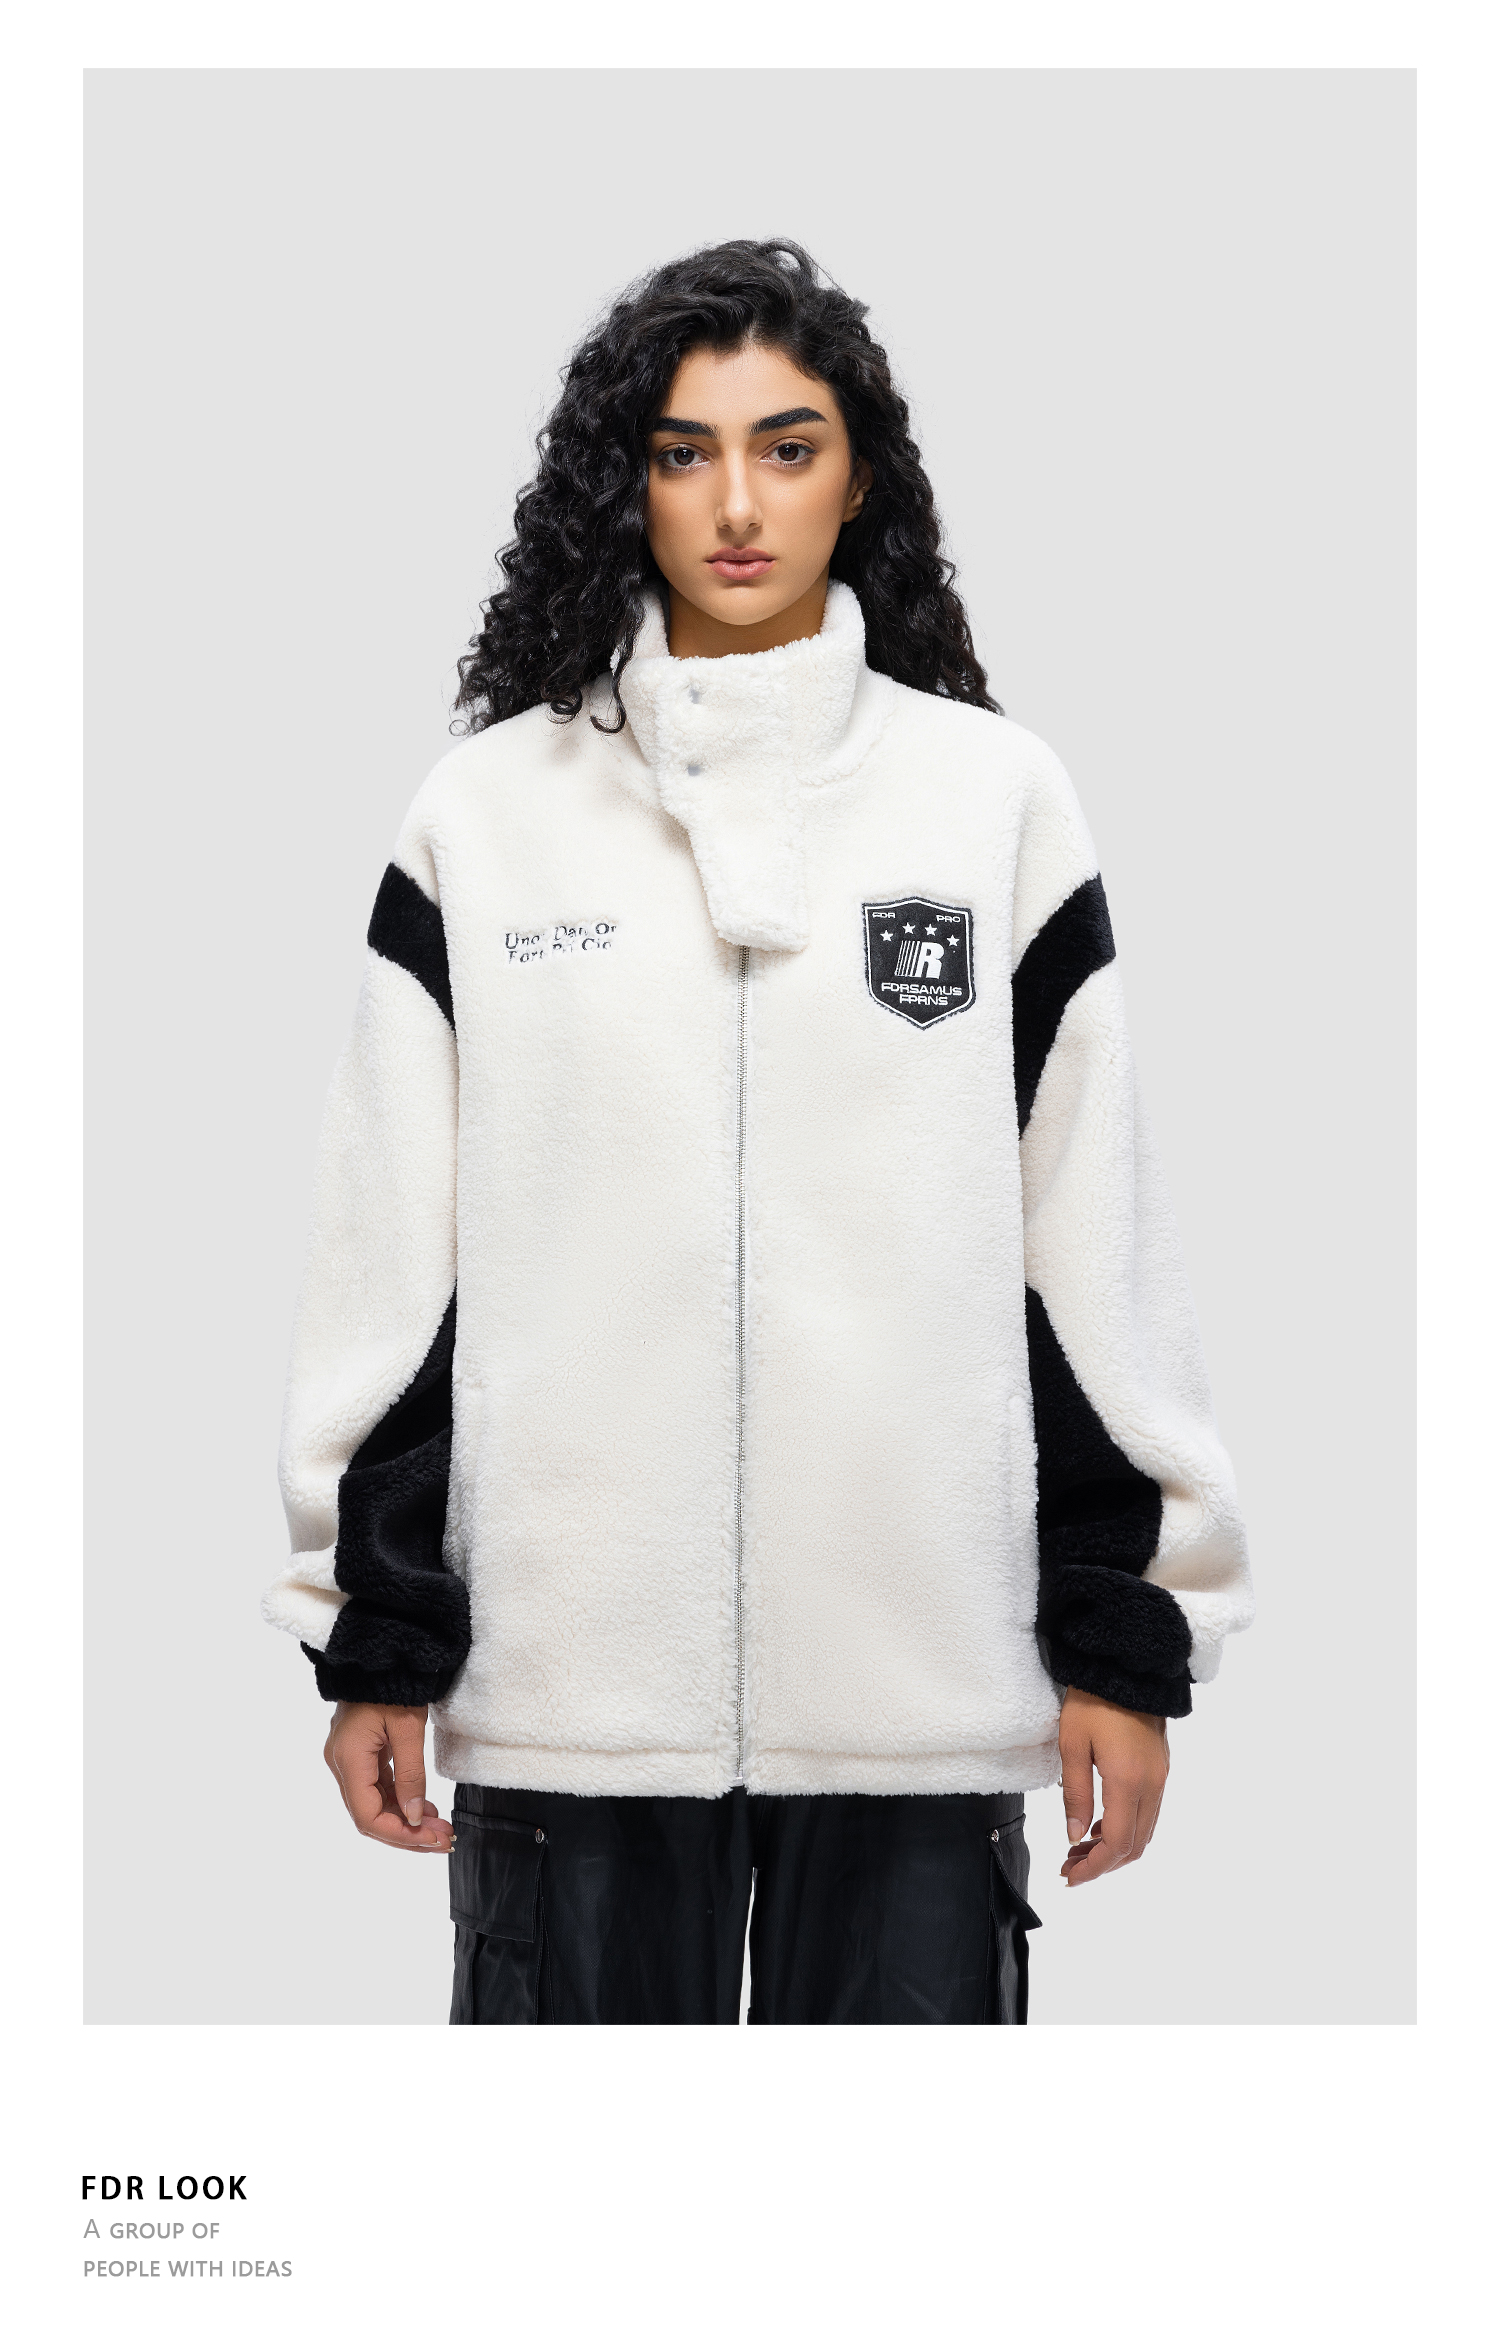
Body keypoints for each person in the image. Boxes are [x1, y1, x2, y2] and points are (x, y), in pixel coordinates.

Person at [264, 239, 1253, 2025]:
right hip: (568, 1694)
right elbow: (395, 1265)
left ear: (857, 477)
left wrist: (1124, 1634)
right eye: (683, 452)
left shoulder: (994, 803)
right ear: (622, 482)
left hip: (924, 1690)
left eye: (787, 449)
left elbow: (1089, 1253)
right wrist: (380, 1632)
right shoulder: (485, 820)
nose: (735, 505)